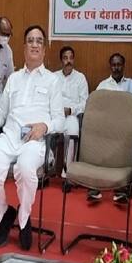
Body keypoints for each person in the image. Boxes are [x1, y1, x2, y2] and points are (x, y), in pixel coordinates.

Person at [0, 25, 64, 250]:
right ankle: (4, 215)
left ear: (44, 49)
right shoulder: (13, 79)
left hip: (34, 140)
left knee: (25, 169)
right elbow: (1, 113)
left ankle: (24, 219)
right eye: (30, 40)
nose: (34, 44)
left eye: (39, 41)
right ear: (24, 47)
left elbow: (60, 120)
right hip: (9, 137)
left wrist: (44, 126)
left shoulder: (53, 81)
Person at [90, 53, 132, 203]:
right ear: (110, 66)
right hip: (106, 128)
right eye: (114, 65)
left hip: (126, 129)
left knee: (129, 145)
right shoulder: (103, 85)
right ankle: (95, 187)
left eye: (119, 65)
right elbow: (95, 109)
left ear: (123, 66)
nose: (116, 68)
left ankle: (122, 189)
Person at [53, 46, 88, 177]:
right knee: (44, 128)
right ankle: (45, 169)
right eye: (65, 58)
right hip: (55, 115)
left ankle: (67, 172)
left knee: (73, 131)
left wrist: (71, 110)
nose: (68, 61)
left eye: (71, 58)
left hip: (71, 116)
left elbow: (85, 103)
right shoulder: (53, 77)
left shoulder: (80, 78)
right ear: (61, 60)